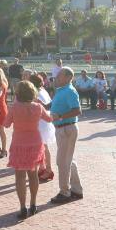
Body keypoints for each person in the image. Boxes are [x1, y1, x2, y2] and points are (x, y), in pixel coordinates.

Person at [4, 80, 53, 219]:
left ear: (18, 93)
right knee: (33, 175)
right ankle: (33, 204)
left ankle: (22, 207)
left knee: (20, 177)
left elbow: (6, 124)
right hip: (35, 144)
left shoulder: (14, 107)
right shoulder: (38, 107)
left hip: (19, 144)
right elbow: (49, 119)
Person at [49, 67, 84, 204]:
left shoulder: (69, 91)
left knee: (62, 162)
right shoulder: (61, 90)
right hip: (63, 128)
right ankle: (76, 189)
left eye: (59, 75)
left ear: (68, 77)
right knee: (69, 161)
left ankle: (65, 192)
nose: (56, 77)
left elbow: (77, 110)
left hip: (66, 128)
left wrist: (61, 116)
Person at [29, 74, 55, 183]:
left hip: (41, 122)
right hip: (43, 121)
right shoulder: (43, 90)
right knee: (42, 146)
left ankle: (48, 169)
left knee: (43, 146)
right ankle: (43, 167)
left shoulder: (37, 93)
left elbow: (43, 107)